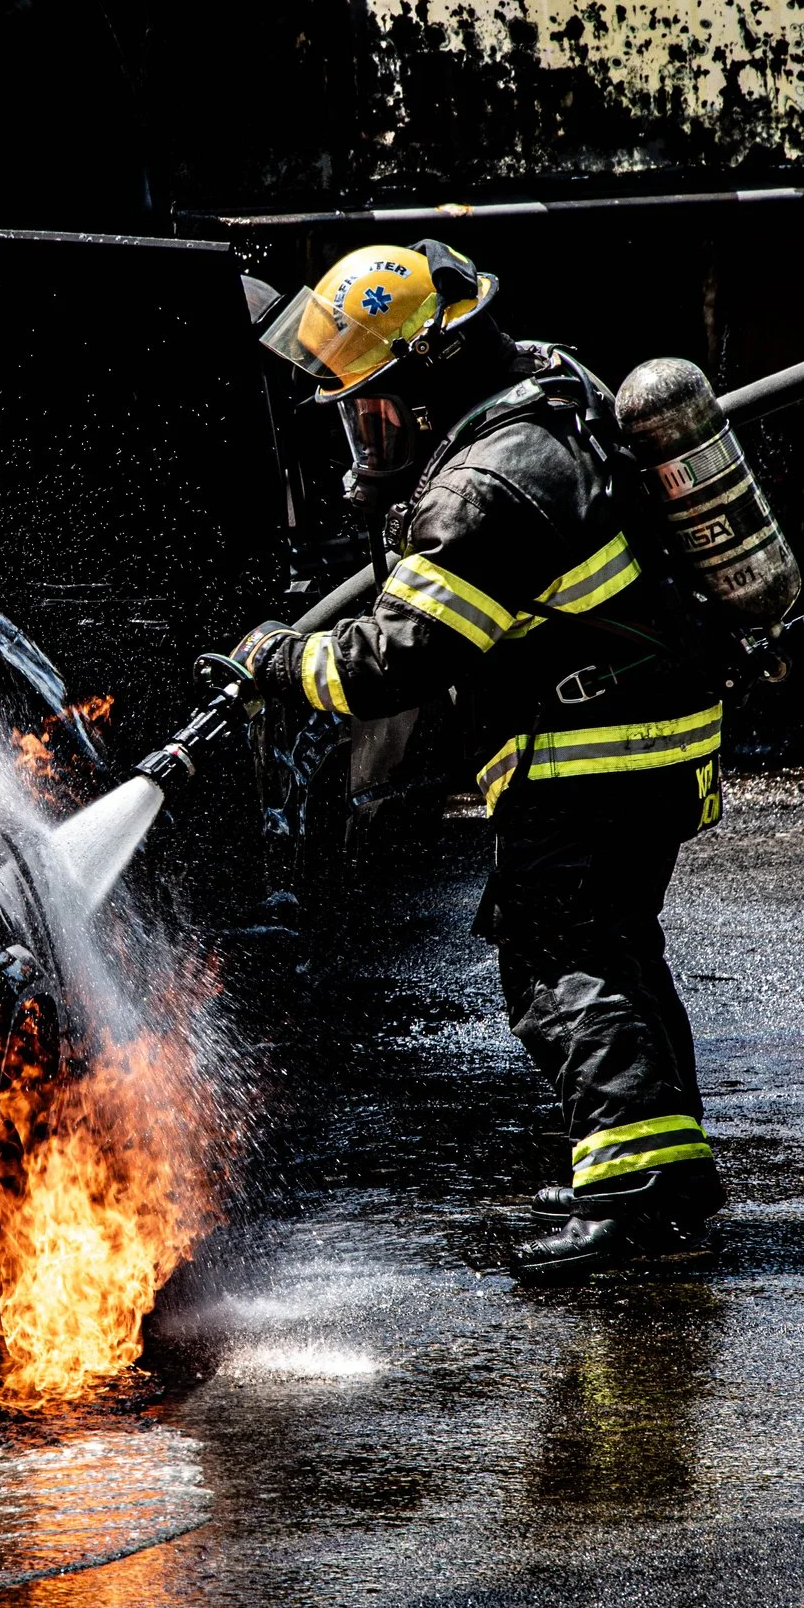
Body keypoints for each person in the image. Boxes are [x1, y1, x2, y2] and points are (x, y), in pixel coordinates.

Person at [238, 241, 726, 1281]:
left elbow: (391, 661)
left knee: (562, 961)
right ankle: (662, 1171)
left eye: (368, 402)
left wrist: (277, 660)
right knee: (617, 947)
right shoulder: (549, 388)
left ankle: (633, 1198)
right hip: (643, 731)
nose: (358, 427)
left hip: (587, 749)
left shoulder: (485, 485)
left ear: (425, 384)